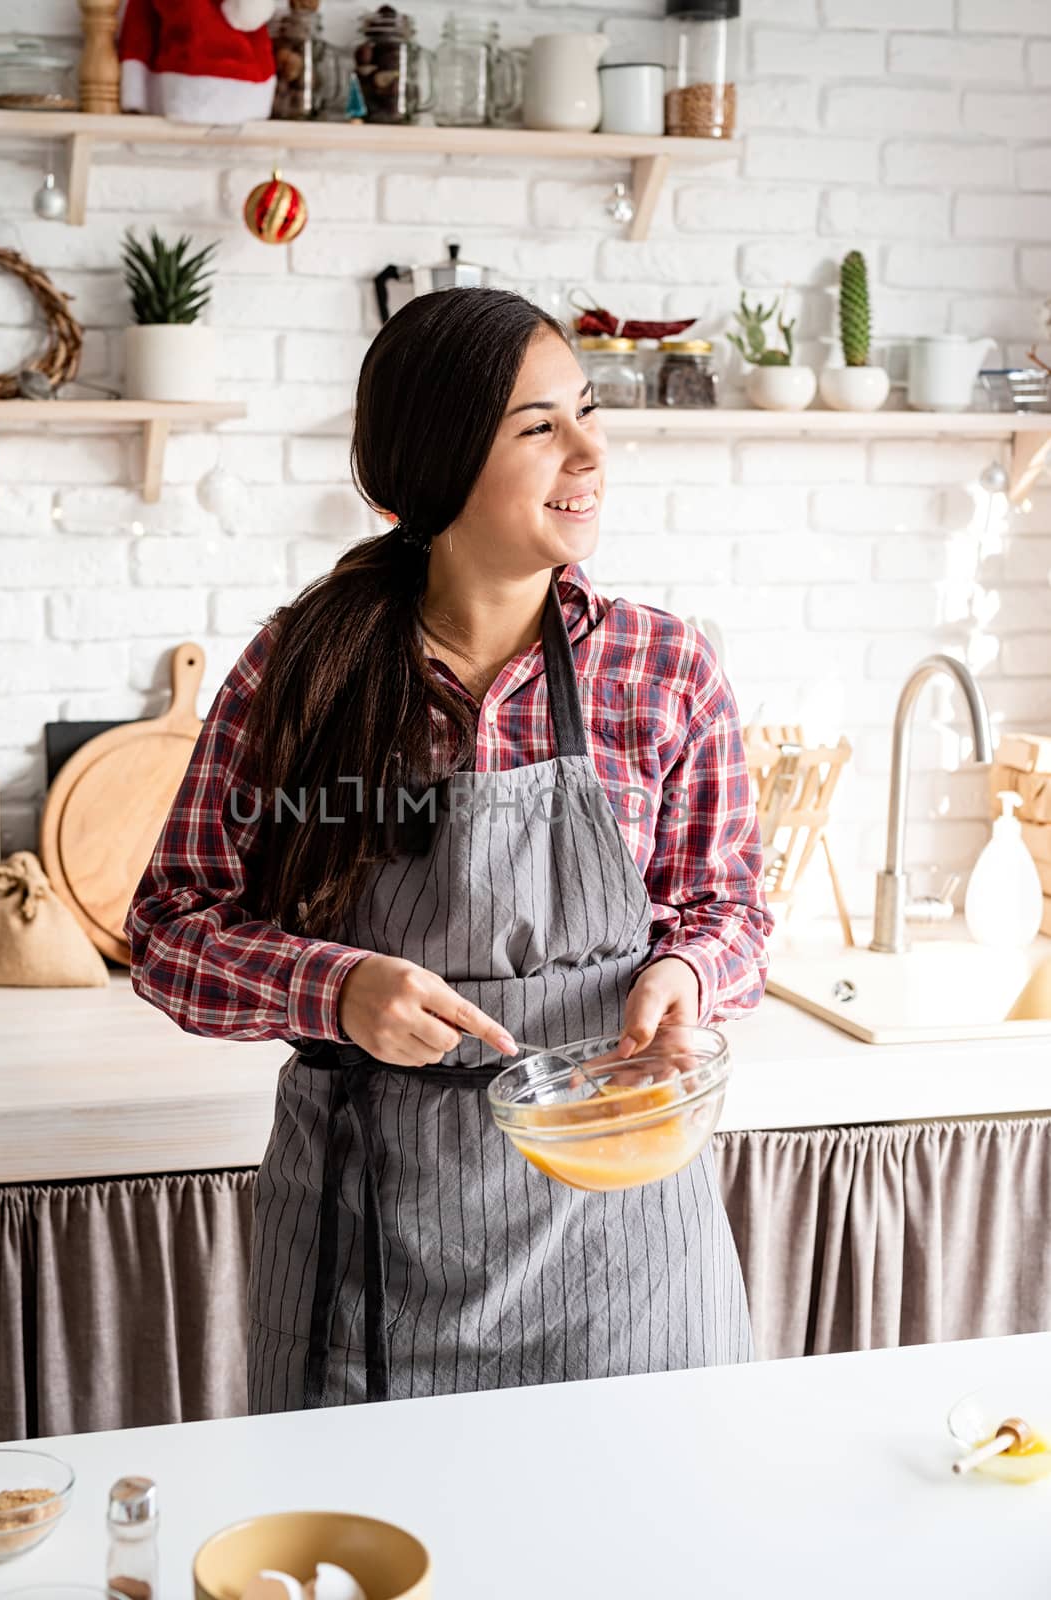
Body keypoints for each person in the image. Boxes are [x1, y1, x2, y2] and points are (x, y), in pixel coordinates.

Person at [128, 288, 772, 1414]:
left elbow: (730, 912)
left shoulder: (663, 669)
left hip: (622, 1262)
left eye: (587, 410)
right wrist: (333, 988)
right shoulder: (299, 673)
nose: (590, 451)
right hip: (370, 1263)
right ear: (436, 466)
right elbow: (169, 931)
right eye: (539, 427)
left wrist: (684, 974)